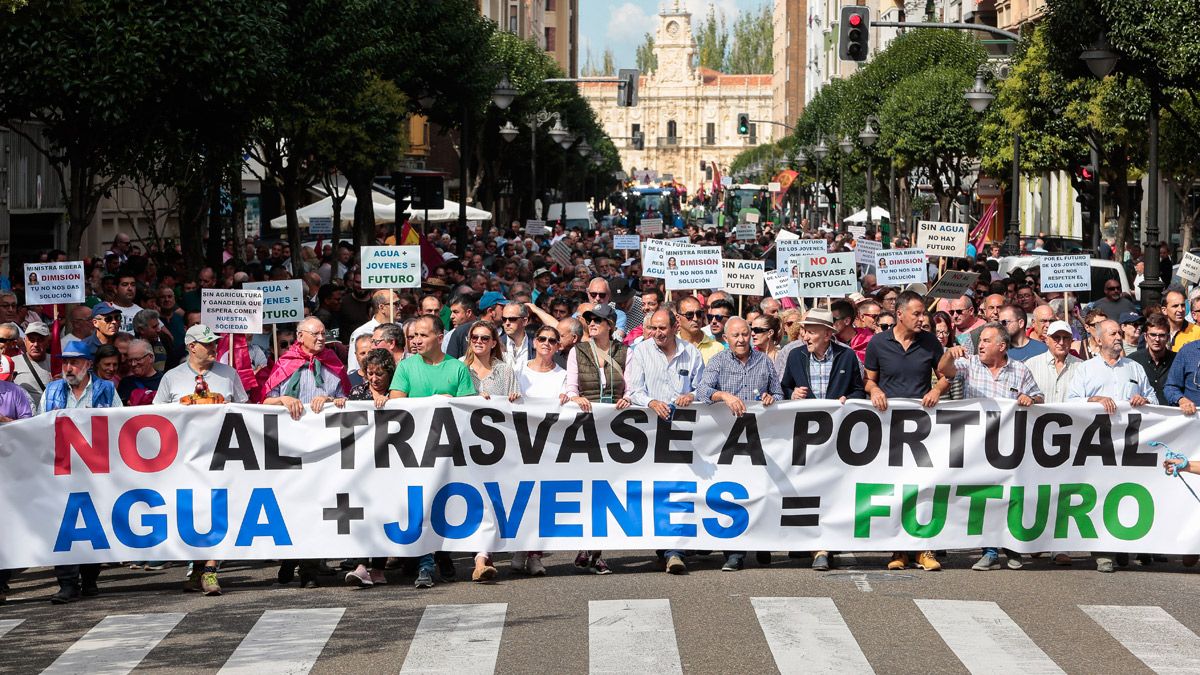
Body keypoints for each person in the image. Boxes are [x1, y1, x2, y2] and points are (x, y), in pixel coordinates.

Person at [938, 323, 1043, 571]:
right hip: (977, 445)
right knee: (984, 497)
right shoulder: (970, 364)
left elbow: (1039, 397)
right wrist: (949, 353)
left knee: (1010, 495)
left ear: (1002, 346)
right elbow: (944, 369)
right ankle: (990, 550)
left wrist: (1031, 399)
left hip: (1009, 446)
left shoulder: (1019, 370)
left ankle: (1011, 547)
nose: (981, 345)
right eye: (981, 341)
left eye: (986, 341)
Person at [863, 290, 949, 572]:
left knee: (924, 486)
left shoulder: (930, 342)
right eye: (917, 313)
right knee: (897, 487)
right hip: (890, 428)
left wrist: (937, 388)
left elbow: (947, 375)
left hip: (923, 429)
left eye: (924, 313)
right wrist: (874, 389)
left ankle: (925, 549)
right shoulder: (878, 343)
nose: (923, 318)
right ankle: (899, 549)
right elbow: (869, 381)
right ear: (899, 314)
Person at [389, 315, 476, 588]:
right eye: (413, 336)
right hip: (414, 450)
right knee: (420, 503)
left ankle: (443, 554)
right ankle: (425, 563)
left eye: (423, 336)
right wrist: (434, 402)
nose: (416, 341)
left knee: (444, 504)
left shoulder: (458, 368)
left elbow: (468, 408)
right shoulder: (406, 366)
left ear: (440, 338)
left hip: (449, 450)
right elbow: (396, 403)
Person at [1067, 319, 1157, 573]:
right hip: (1098, 445)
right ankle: (1103, 552)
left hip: (1129, 445)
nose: (1119, 336)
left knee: (1125, 493)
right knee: (1102, 494)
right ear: (1098, 340)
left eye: (1119, 332)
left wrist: (1144, 399)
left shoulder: (1135, 369)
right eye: (1112, 333)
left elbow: (1153, 399)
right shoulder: (1086, 370)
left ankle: (1122, 546)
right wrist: (1094, 399)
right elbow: (1070, 402)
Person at [696, 317, 781, 572]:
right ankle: (735, 553)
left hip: (758, 440)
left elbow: (779, 393)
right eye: (736, 335)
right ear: (726, 338)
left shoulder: (764, 361)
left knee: (760, 490)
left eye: (746, 334)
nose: (742, 339)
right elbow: (702, 390)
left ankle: (762, 542)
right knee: (735, 494)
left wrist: (770, 397)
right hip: (728, 443)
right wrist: (723, 395)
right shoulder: (718, 362)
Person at [40, 340, 121, 603]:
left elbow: (121, 424)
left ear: (88, 364)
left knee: (93, 522)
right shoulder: (52, 390)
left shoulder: (106, 389)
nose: (68, 367)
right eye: (65, 362)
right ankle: (67, 583)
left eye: (74, 362)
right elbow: (39, 426)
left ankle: (89, 579)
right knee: (63, 524)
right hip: (62, 468)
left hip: (95, 468)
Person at [564, 304, 630, 575]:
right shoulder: (576, 351)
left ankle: (596, 550)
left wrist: (629, 398)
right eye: (589, 319)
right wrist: (575, 396)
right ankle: (588, 546)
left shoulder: (625, 352)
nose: (592, 324)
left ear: (610, 326)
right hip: (586, 427)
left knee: (607, 489)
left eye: (598, 321)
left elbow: (632, 385)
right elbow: (571, 386)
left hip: (613, 428)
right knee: (588, 488)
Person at [337, 348, 398, 587]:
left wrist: (390, 403)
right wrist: (340, 403)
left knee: (383, 512)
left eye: (379, 374)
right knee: (363, 513)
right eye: (369, 373)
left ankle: (378, 569)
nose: (373, 379)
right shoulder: (357, 392)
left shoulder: (399, 394)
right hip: (362, 466)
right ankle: (361, 565)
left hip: (389, 465)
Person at [461, 319, 518, 404]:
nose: (479, 341)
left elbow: (514, 405)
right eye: (474, 337)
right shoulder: (460, 366)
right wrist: (475, 399)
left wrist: (515, 398)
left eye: (485, 338)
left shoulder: (505, 370)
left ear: (493, 344)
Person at [1026, 321, 1082, 406]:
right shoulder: (1031, 365)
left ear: (1071, 340)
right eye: (1056, 338)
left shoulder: (1081, 367)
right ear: (1047, 340)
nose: (1061, 342)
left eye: (1066, 338)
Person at [1128, 313, 1174, 403]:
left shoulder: (1177, 360)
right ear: (1145, 336)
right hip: (1144, 414)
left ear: (1168, 337)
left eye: (1161, 335)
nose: (1157, 339)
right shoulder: (1132, 360)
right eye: (1153, 335)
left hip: (1171, 414)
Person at [9, 321, 51, 401]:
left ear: (48, 342)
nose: (35, 344)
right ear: (25, 341)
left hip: (52, 412)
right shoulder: (12, 363)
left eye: (40, 340)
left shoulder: (58, 363)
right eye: (31, 340)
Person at [676, 295, 725, 363]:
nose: (695, 319)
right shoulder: (671, 346)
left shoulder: (718, 349)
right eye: (689, 315)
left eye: (698, 314)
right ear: (678, 318)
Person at [117, 339, 163, 405]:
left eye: (137, 359)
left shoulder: (164, 381)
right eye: (130, 360)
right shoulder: (126, 383)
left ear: (151, 357)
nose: (133, 364)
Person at [751, 313, 786, 387]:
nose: (752, 333)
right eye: (752, 329)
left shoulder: (782, 357)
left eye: (757, 330)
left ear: (770, 333)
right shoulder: (748, 356)